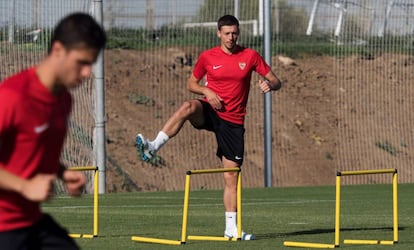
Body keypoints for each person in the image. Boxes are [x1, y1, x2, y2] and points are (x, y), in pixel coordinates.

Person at [135, 14, 281, 240]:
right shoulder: (207, 57)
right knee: (188, 106)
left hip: (233, 122)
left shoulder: (250, 56)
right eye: (227, 33)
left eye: (235, 33)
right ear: (218, 34)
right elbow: (191, 83)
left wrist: (268, 84)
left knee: (231, 176)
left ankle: (231, 229)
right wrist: (207, 92)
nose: (231, 37)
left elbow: (276, 80)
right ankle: (153, 146)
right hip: (211, 111)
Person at [0, 12, 106, 249]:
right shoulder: (12, 96)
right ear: (58, 50)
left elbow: (29, 150)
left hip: (31, 222)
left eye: (92, 63)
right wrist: (24, 186)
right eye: (82, 62)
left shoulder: (64, 100)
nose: (88, 73)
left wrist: (62, 172)